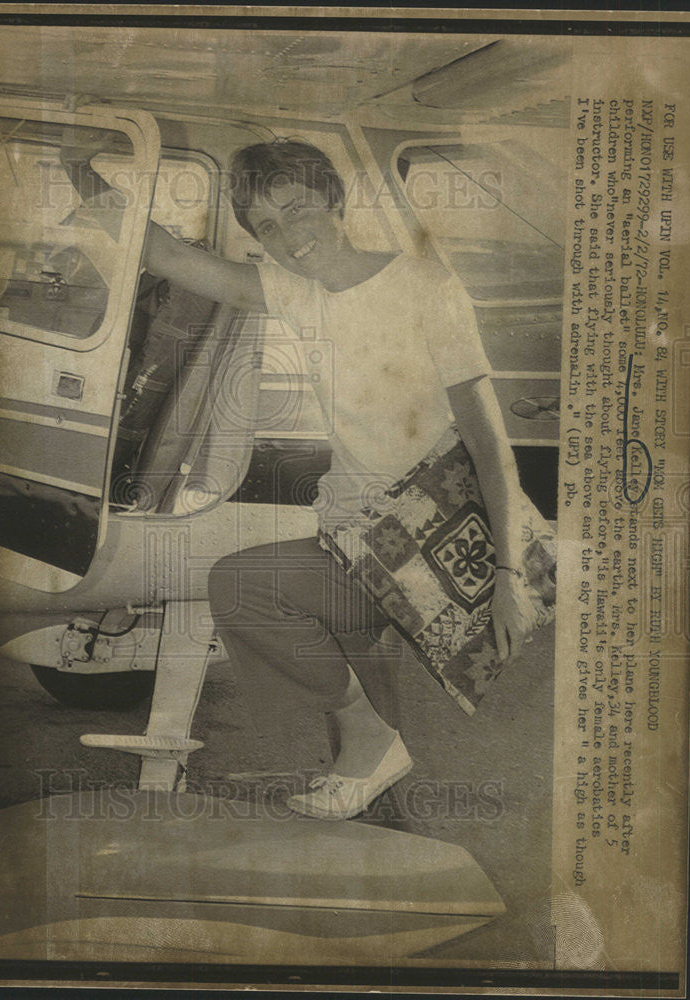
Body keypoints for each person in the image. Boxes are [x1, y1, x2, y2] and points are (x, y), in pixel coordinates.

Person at [61, 134, 538, 820]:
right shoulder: (296, 292)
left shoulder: (427, 286)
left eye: (300, 209)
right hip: (356, 530)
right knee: (350, 700)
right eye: (268, 226)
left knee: (245, 589)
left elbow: (491, 445)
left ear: (336, 200)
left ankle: (376, 770)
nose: (290, 236)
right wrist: (78, 167)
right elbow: (165, 254)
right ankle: (378, 812)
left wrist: (510, 576)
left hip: (429, 539)